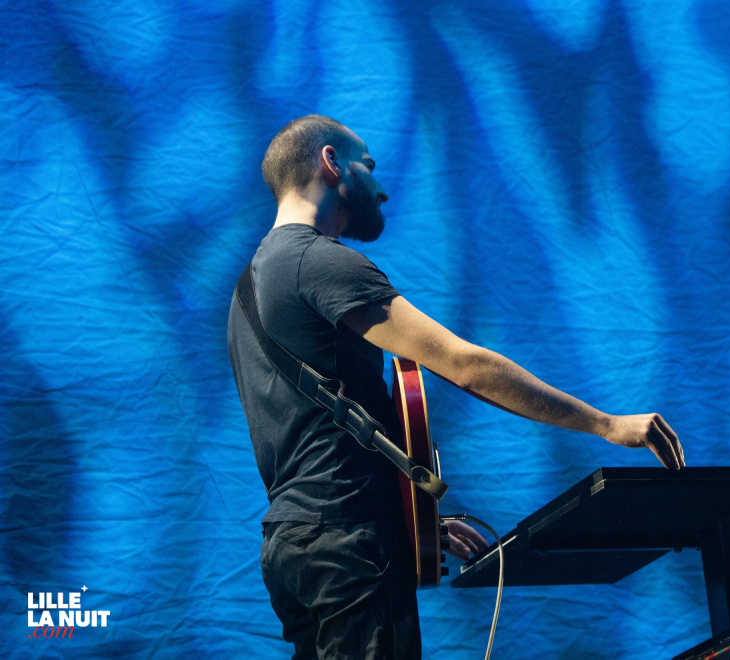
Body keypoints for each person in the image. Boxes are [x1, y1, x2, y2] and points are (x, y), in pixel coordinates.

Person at [227, 114, 684, 660]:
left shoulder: (247, 290)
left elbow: (316, 440)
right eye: (366, 166)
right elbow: (463, 365)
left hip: (294, 546)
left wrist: (408, 522)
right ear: (330, 162)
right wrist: (606, 425)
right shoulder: (319, 263)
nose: (382, 187)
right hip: (348, 546)